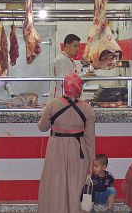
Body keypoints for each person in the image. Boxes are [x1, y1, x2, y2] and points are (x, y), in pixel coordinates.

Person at [37, 73, 95, 213]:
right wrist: (91, 161)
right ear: (79, 88)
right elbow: (90, 138)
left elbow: (42, 127)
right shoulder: (87, 108)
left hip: (55, 149)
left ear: (65, 86)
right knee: (75, 187)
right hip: (78, 151)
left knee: (55, 185)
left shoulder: (53, 104)